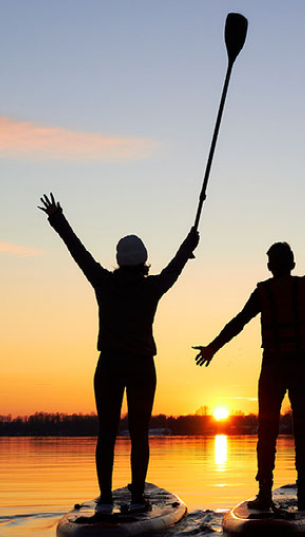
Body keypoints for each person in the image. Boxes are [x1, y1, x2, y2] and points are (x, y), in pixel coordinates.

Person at [39, 192, 199, 514]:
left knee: (106, 432)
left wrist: (58, 220)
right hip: (141, 366)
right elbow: (174, 270)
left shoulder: (103, 282)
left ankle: (105, 501)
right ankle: (138, 499)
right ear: (142, 261)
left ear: (119, 260)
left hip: (109, 364)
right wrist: (188, 245)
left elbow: (78, 252)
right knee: (139, 432)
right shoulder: (151, 287)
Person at [194, 212, 305, 510]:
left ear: (270, 266)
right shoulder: (304, 287)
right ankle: (304, 494)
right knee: (303, 431)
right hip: (300, 367)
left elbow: (238, 322)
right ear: (292, 264)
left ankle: (265, 494)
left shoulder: (263, 292)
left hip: (272, 369)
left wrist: (213, 348)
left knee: (267, 431)